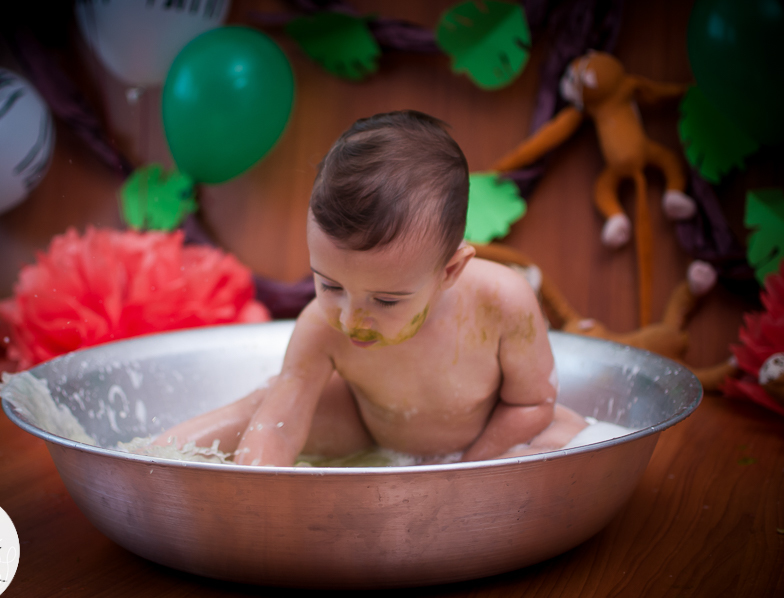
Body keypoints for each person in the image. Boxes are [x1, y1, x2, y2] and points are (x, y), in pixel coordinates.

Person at [154, 110, 586, 466]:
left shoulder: (502, 303)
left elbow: (531, 405)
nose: (350, 318)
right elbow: (276, 425)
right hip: (368, 423)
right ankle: (149, 458)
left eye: (385, 299)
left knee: (563, 438)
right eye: (330, 285)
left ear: (449, 271)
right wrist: (256, 495)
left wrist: (468, 468)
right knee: (265, 408)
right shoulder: (321, 327)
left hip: (485, 434)